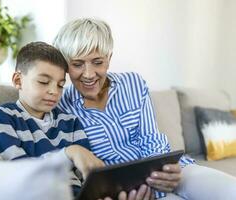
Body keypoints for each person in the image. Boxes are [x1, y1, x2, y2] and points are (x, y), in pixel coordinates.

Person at [53, 18, 236, 200]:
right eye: (77, 64)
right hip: (122, 190)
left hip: (169, 171)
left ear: (109, 59)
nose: (89, 74)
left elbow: (151, 137)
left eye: (97, 62)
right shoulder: (61, 106)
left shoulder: (133, 83)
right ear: (66, 66)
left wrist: (162, 173)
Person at [0, 41, 104, 197]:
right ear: (18, 80)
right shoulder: (2, 116)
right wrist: (68, 153)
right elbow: (18, 172)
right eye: (43, 82)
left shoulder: (70, 122)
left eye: (60, 85)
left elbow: (86, 174)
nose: (54, 91)